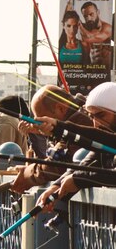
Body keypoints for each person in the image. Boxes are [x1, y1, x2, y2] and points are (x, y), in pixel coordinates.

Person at [34, 81, 116, 210]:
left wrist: (58, 127)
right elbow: (85, 164)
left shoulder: (108, 140)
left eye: (101, 115)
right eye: (92, 117)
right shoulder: (103, 147)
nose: (96, 123)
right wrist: (56, 187)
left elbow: (102, 138)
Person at [10, 84, 91, 193]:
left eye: (42, 120)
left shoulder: (81, 121)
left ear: (60, 108)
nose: (39, 124)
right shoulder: (79, 114)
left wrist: (27, 174)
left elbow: (57, 165)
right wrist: (45, 133)